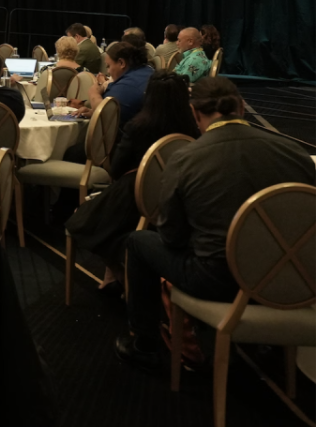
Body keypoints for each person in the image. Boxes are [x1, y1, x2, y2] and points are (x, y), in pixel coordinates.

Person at [117, 78, 316, 371]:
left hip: (218, 281)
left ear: (195, 114)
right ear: (242, 109)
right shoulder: (296, 153)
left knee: (137, 241)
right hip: (289, 279)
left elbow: (171, 236)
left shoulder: (186, 158)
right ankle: (271, 348)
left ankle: (143, 344)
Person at [65, 71, 201, 292]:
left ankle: (118, 272)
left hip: (133, 196)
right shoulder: (193, 130)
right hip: (174, 201)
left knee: (80, 219)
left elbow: (116, 169)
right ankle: (116, 274)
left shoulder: (138, 127)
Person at [76, 40, 154, 126]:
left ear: (121, 63)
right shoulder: (149, 70)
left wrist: (94, 94)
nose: (108, 71)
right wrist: (93, 112)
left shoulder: (125, 88)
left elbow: (105, 116)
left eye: (109, 66)